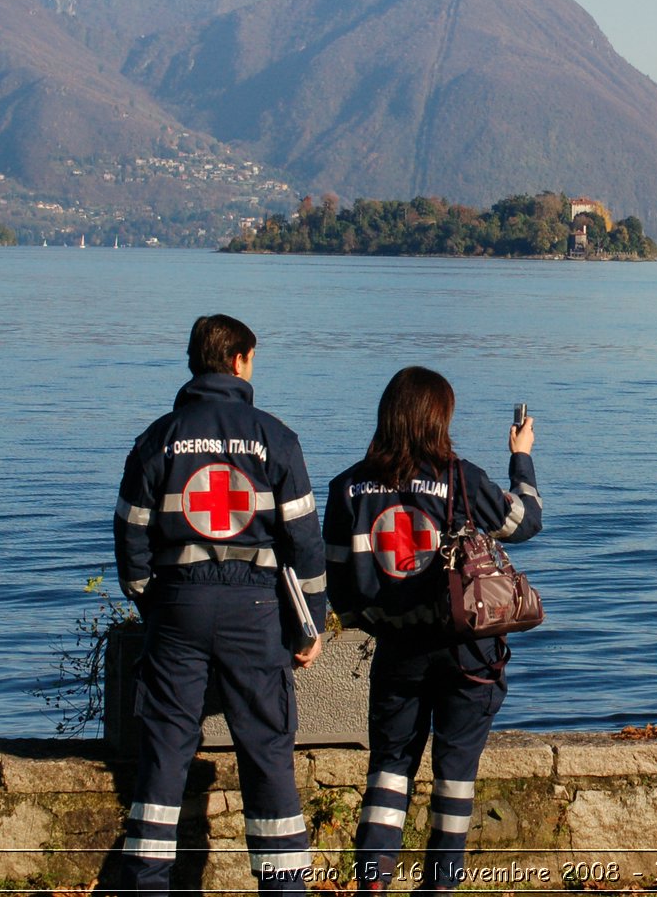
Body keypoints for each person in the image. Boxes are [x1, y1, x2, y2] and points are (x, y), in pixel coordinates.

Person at [113, 314, 327, 896]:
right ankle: (284, 889)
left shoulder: (158, 438)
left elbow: (130, 535)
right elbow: (304, 543)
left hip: (177, 606)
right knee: (266, 752)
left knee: (163, 754)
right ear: (239, 360)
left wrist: (151, 604)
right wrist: (311, 626)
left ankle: (146, 886)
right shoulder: (275, 438)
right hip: (255, 609)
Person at [323, 366, 542, 893]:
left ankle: (372, 882)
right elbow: (527, 522)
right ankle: (439, 885)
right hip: (470, 651)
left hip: (399, 649)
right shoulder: (461, 478)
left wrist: (365, 623)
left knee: (390, 769)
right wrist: (521, 454)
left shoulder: (348, 487)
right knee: (456, 774)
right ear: (440, 417)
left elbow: (336, 580)